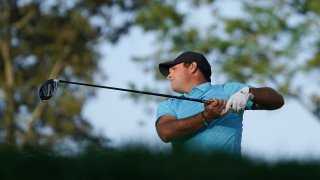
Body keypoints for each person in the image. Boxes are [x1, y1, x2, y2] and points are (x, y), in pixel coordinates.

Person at [156, 51, 284, 155]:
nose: (169, 76)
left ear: (192, 67)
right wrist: (205, 117)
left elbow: (277, 100)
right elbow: (165, 132)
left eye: (173, 69)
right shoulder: (170, 104)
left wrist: (248, 92)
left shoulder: (227, 90)